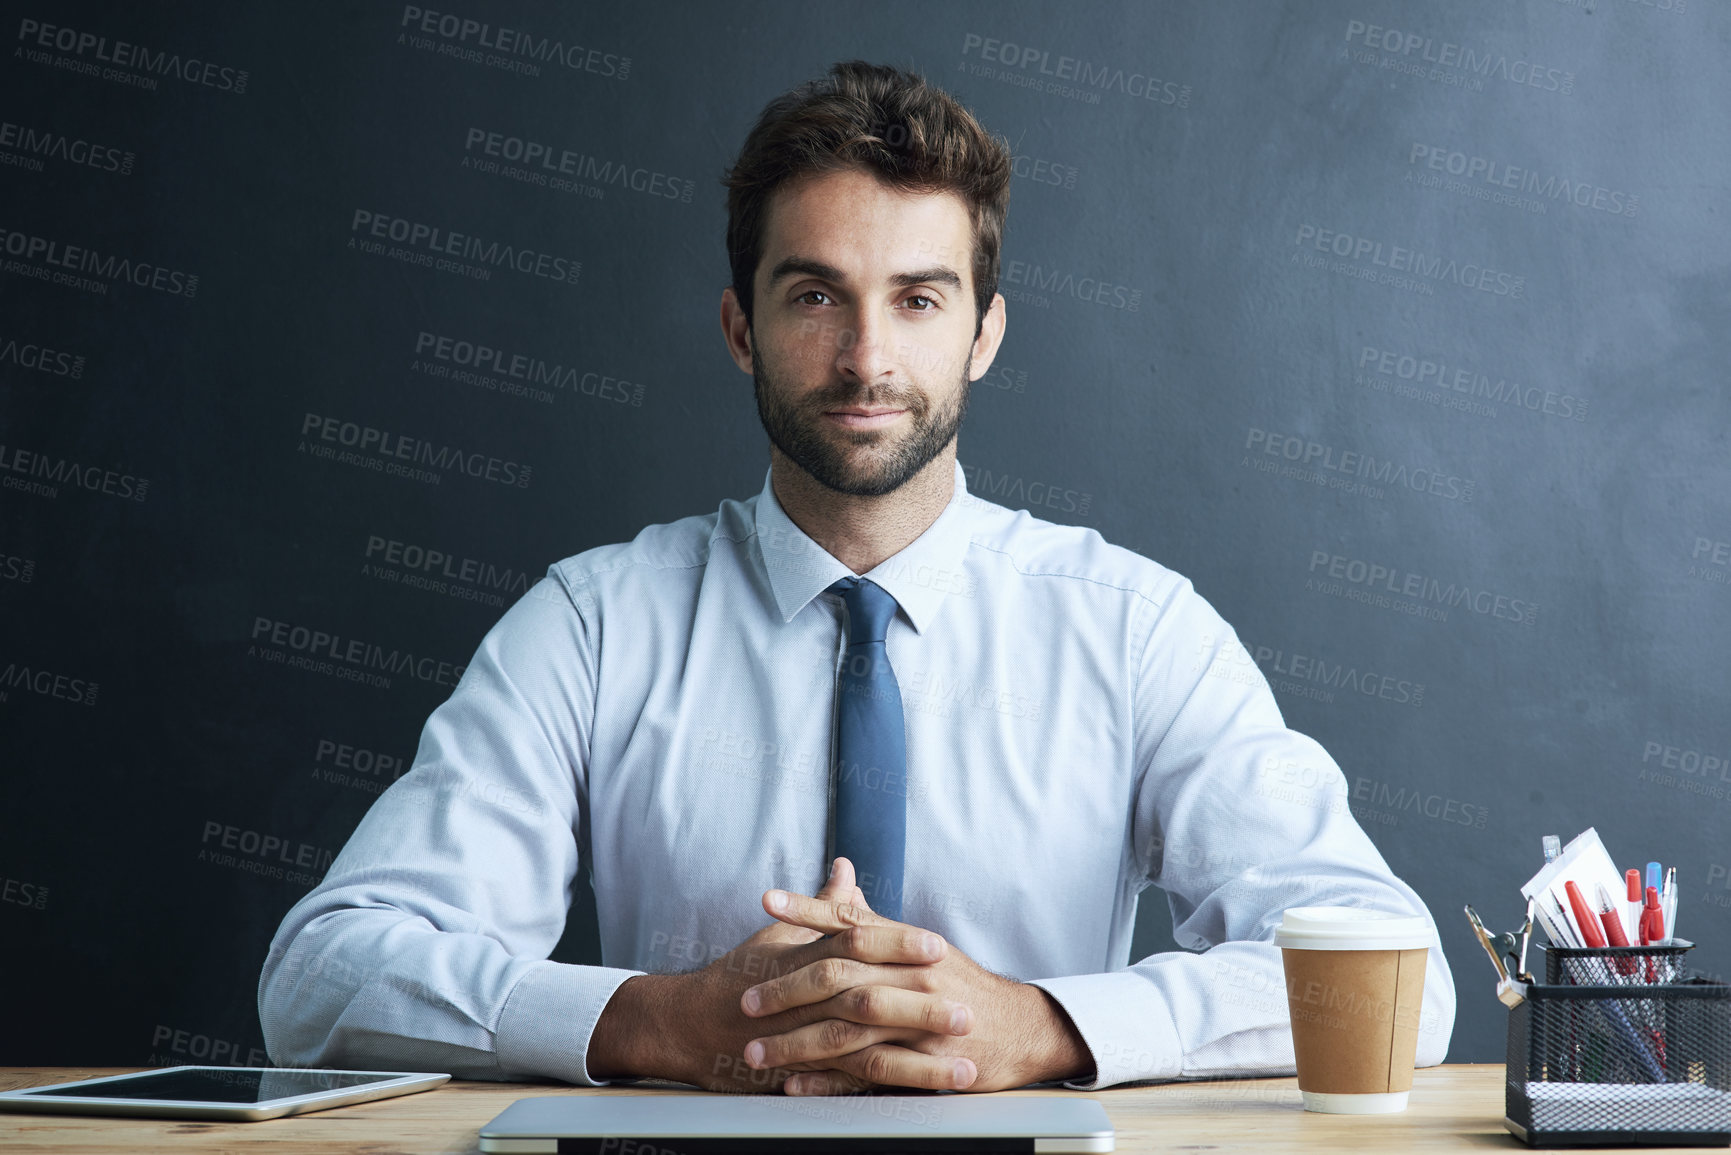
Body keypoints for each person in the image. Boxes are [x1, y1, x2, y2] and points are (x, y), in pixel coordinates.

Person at [259, 60, 1455, 1095]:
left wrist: (1044, 1029)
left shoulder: (1136, 633)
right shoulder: (593, 625)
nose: (867, 357)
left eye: (919, 299)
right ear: (741, 329)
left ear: (984, 333)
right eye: (817, 294)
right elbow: (320, 979)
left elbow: (1401, 980)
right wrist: (659, 1023)